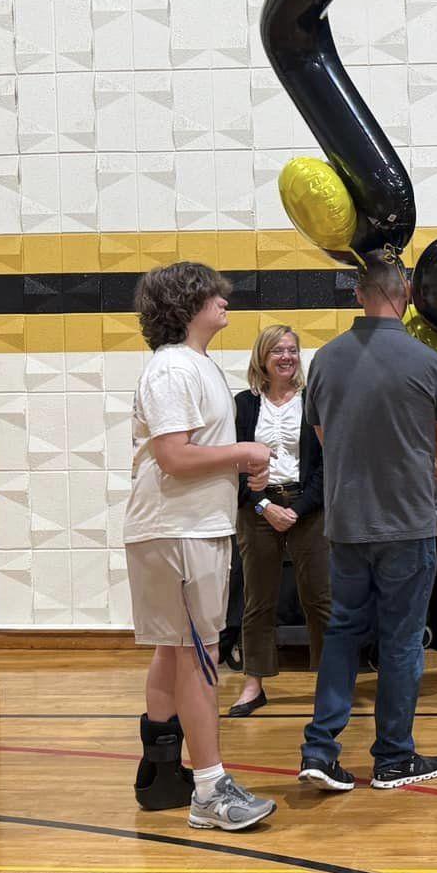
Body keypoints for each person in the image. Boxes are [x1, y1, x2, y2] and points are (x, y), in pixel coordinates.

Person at [298, 255, 437, 792]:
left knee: (343, 633)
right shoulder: (427, 361)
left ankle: (320, 748)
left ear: (356, 296)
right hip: (407, 522)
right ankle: (393, 755)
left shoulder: (323, 360)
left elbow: (324, 440)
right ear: (407, 294)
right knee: (402, 642)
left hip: (345, 523)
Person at [125, 262, 277, 831]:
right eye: (216, 293)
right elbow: (174, 456)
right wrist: (245, 453)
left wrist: (244, 467)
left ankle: (162, 774)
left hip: (185, 526)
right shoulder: (172, 371)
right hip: (178, 529)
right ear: (191, 303)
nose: (225, 299)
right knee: (199, 653)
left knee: (173, 648)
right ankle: (211, 787)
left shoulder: (197, 366)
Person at [228, 324, 329, 717]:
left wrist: (298, 509)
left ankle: (327, 679)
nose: (286, 357)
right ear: (262, 358)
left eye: (292, 350)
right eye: (277, 351)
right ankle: (254, 683)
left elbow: (325, 464)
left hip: (307, 508)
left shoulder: (312, 400)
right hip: (258, 511)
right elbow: (234, 467)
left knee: (321, 598)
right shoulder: (243, 404)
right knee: (258, 600)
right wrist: (263, 506)